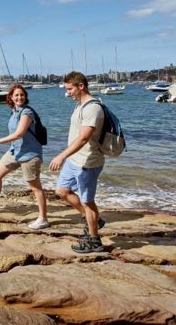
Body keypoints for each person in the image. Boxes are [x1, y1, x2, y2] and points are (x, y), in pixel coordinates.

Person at [0, 84, 48, 229]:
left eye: (22, 95)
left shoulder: (26, 112)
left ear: (25, 97)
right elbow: (16, 136)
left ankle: (43, 219)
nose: (19, 97)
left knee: (35, 187)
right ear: (11, 97)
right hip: (15, 151)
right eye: (16, 95)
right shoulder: (14, 111)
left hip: (30, 154)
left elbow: (19, 134)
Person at [49, 71, 107, 253]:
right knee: (62, 190)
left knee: (88, 201)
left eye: (69, 89)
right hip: (75, 160)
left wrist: (61, 156)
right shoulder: (80, 105)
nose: (67, 93)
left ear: (81, 86)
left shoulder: (92, 108)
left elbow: (83, 139)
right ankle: (93, 221)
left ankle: (94, 240)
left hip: (87, 162)